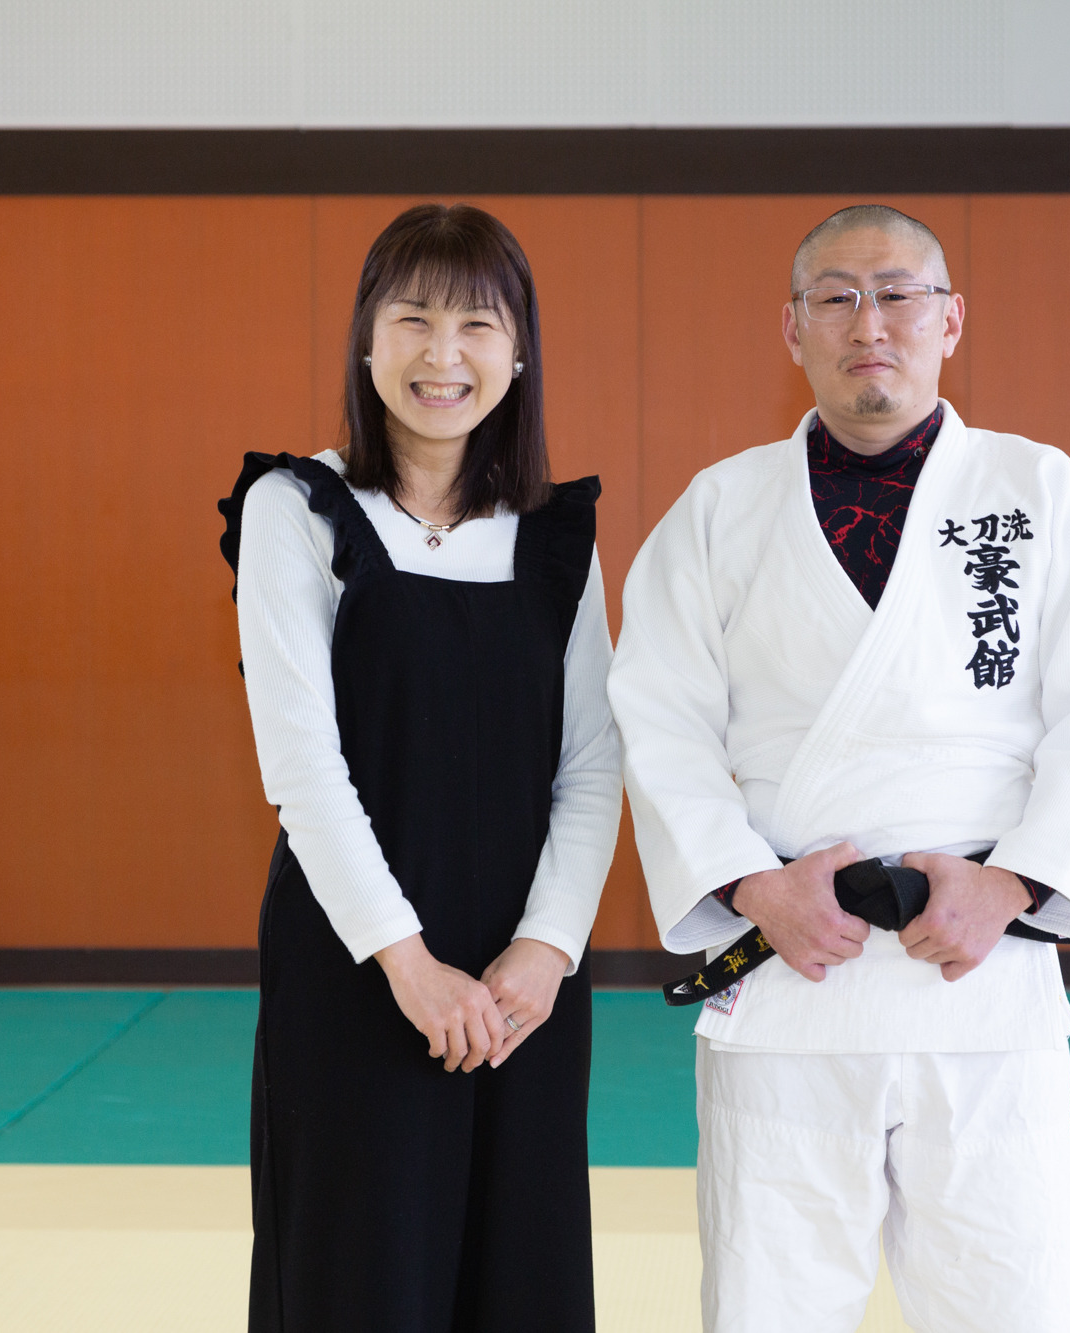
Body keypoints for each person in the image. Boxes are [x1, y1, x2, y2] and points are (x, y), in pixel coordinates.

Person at [608, 205, 1070, 1332]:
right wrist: (752, 886)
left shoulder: (1042, 490)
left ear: (950, 319)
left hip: (982, 979)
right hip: (789, 977)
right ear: (792, 328)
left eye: (900, 294)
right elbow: (658, 720)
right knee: (767, 1308)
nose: (871, 324)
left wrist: (1011, 884)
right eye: (837, 298)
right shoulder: (717, 509)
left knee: (1012, 1307)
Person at [219, 203, 620, 1332]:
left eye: (478, 325)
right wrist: (408, 963)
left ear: (519, 351)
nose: (444, 355)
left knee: (522, 1277)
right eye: (414, 319)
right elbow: (303, 767)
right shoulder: (295, 509)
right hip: (359, 967)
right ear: (366, 339)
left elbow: (593, 763)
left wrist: (545, 951)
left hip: (524, 988)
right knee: (360, 1279)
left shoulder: (556, 535)